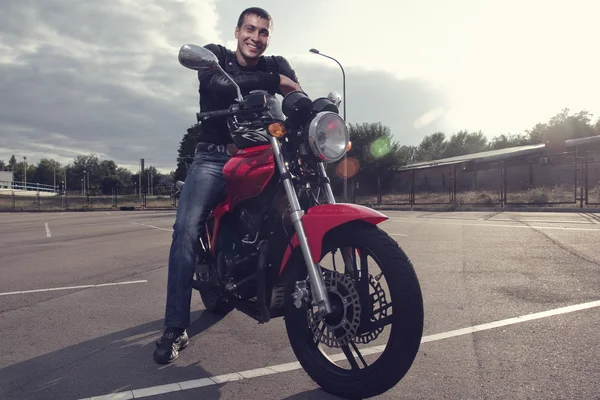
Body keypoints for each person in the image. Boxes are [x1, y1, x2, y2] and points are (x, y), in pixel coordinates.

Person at [154, 7, 302, 364]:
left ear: (269, 37)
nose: (255, 37)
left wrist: (316, 108)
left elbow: (296, 98)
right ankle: (175, 326)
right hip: (214, 158)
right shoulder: (216, 57)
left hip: (266, 155)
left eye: (263, 31)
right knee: (186, 228)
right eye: (249, 29)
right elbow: (217, 86)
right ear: (237, 32)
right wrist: (275, 84)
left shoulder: (276, 62)